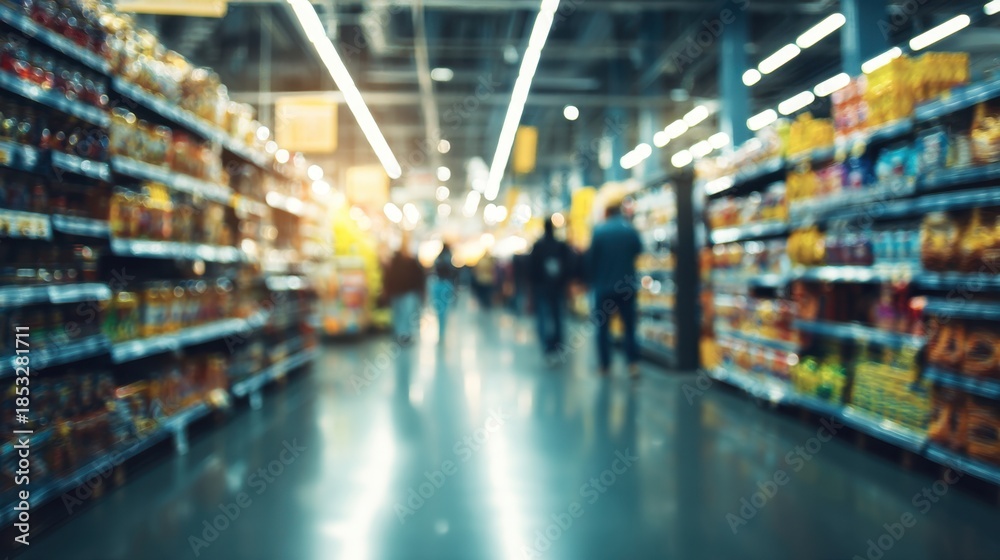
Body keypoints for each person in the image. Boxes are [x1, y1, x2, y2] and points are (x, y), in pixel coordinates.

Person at [587, 199, 643, 378]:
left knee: (603, 328)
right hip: (627, 286)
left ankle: (605, 365)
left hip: (604, 287)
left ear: (606, 213)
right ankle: (632, 364)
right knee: (629, 327)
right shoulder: (630, 230)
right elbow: (639, 251)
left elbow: (591, 260)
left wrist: (591, 281)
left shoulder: (599, 231)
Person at [529, 217, 572, 358]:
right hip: (558, 287)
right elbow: (567, 266)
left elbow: (532, 269)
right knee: (558, 315)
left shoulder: (538, 246)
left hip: (542, 288)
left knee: (542, 316)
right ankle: (558, 344)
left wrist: (534, 286)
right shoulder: (560, 246)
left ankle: (546, 345)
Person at [382, 246, 426, 345]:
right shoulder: (409, 263)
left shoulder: (398, 264)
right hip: (405, 292)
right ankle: (403, 334)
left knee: (400, 314)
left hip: (401, 293)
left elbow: (388, 279)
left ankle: (401, 334)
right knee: (405, 314)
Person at [432, 243, 458, 342]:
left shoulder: (438, 258)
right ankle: (442, 331)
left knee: (439, 309)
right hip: (446, 284)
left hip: (438, 284)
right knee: (444, 309)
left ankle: (441, 331)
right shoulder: (448, 258)